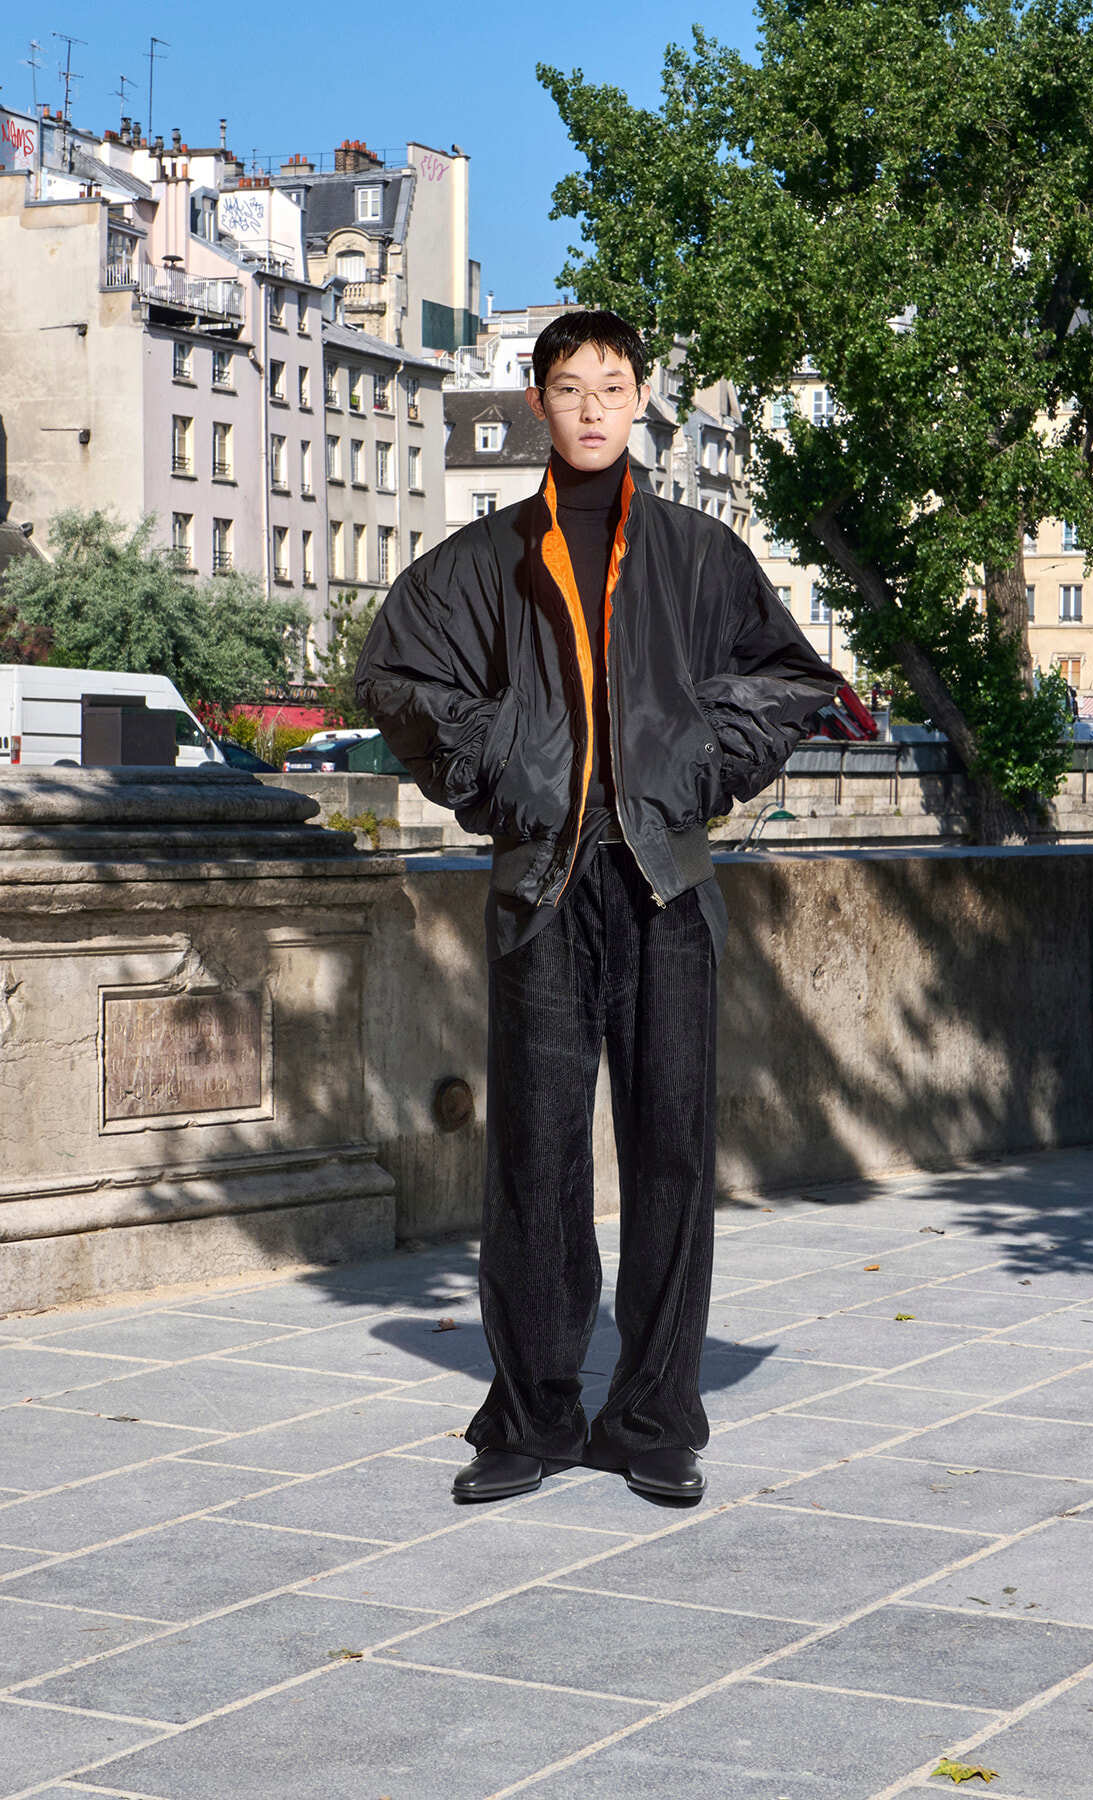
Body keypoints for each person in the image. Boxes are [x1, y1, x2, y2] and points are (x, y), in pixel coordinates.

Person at [356, 310, 840, 1502]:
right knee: (535, 1154)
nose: (589, 408)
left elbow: (789, 681)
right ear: (538, 401)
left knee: (673, 1149)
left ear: (639, 403)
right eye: (568, 388)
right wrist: (509, 766)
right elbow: (395, 676)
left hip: (665, 883)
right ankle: (531, 1415)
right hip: (542, 886)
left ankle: (657, 1414)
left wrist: (687, 770)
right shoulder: (487, 558)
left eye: (611, 388)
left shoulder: (694, 550)